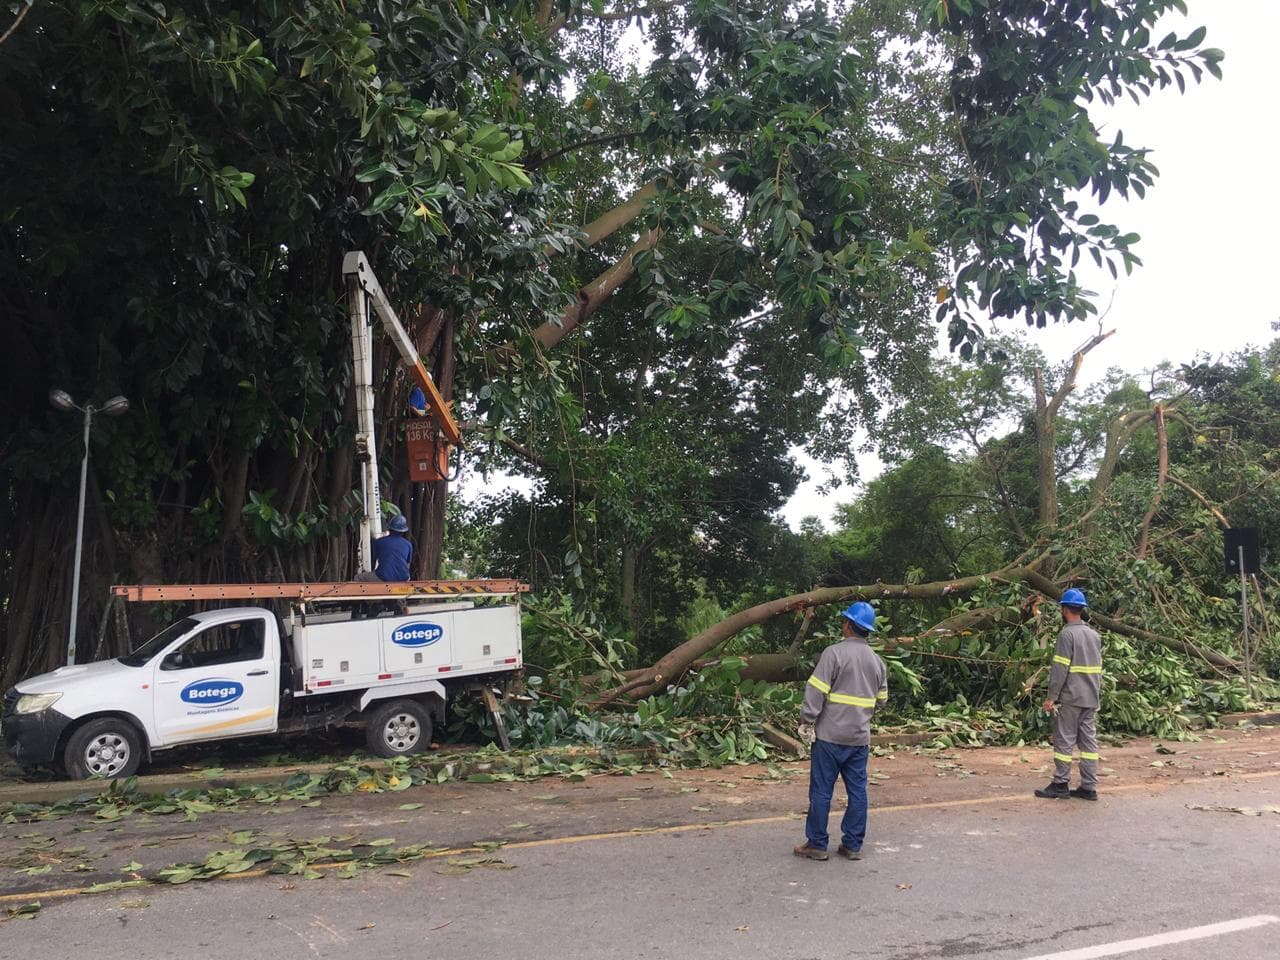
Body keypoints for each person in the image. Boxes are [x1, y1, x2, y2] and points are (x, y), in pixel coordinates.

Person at [794, 601, 888, 862]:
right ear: (867, 630)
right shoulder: (878, 662)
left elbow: (815, 691)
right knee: (858, 791)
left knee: (822, 790)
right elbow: (881, 701)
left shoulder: (833, 654)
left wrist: (807, 720)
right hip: (859, 739)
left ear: (847, 625)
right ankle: (852, 845)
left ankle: (817, 844)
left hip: (829, 737)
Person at [1035, 588, 1103, 801]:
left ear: (1064, 609)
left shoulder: (1067, 634)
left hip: (1071, 697)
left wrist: (1051, 697)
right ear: (1081, 609)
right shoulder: (1094, 635)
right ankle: (1089, 788)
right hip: (1091, 697)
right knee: (1089, 744)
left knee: (1064, 741)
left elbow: (1060, 669)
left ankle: (1060, 784)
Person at [356, 514, 413, 582]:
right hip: (404, 578)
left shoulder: (379, 542)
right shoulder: (408, 544)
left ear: (389, 528)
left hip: (383, 577)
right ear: (403, 531)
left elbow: (373, 559)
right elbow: (407, 565)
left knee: (358, 577)